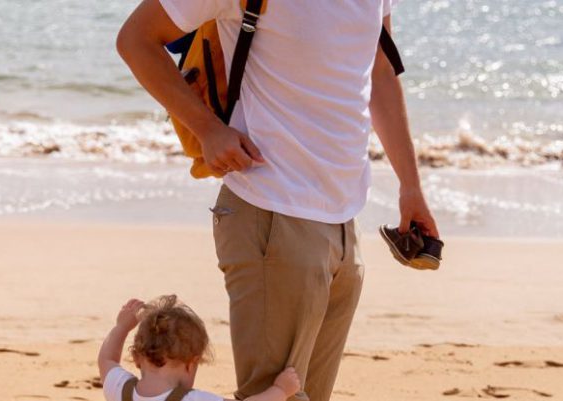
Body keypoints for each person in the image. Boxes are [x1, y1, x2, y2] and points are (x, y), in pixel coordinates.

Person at [117, 1, 439, 400]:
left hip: (344, 217)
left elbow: (380, 71)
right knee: (271, 395)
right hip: (270, 209)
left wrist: (411, 187)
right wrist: (208, 130)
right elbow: (136, 39)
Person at [98, 296, 301, 401]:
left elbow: (107, 359)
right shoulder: (192, 399)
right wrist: (280, 390)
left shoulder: (120, 390)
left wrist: (122, 326)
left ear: (136, 357)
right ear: (191, 365)